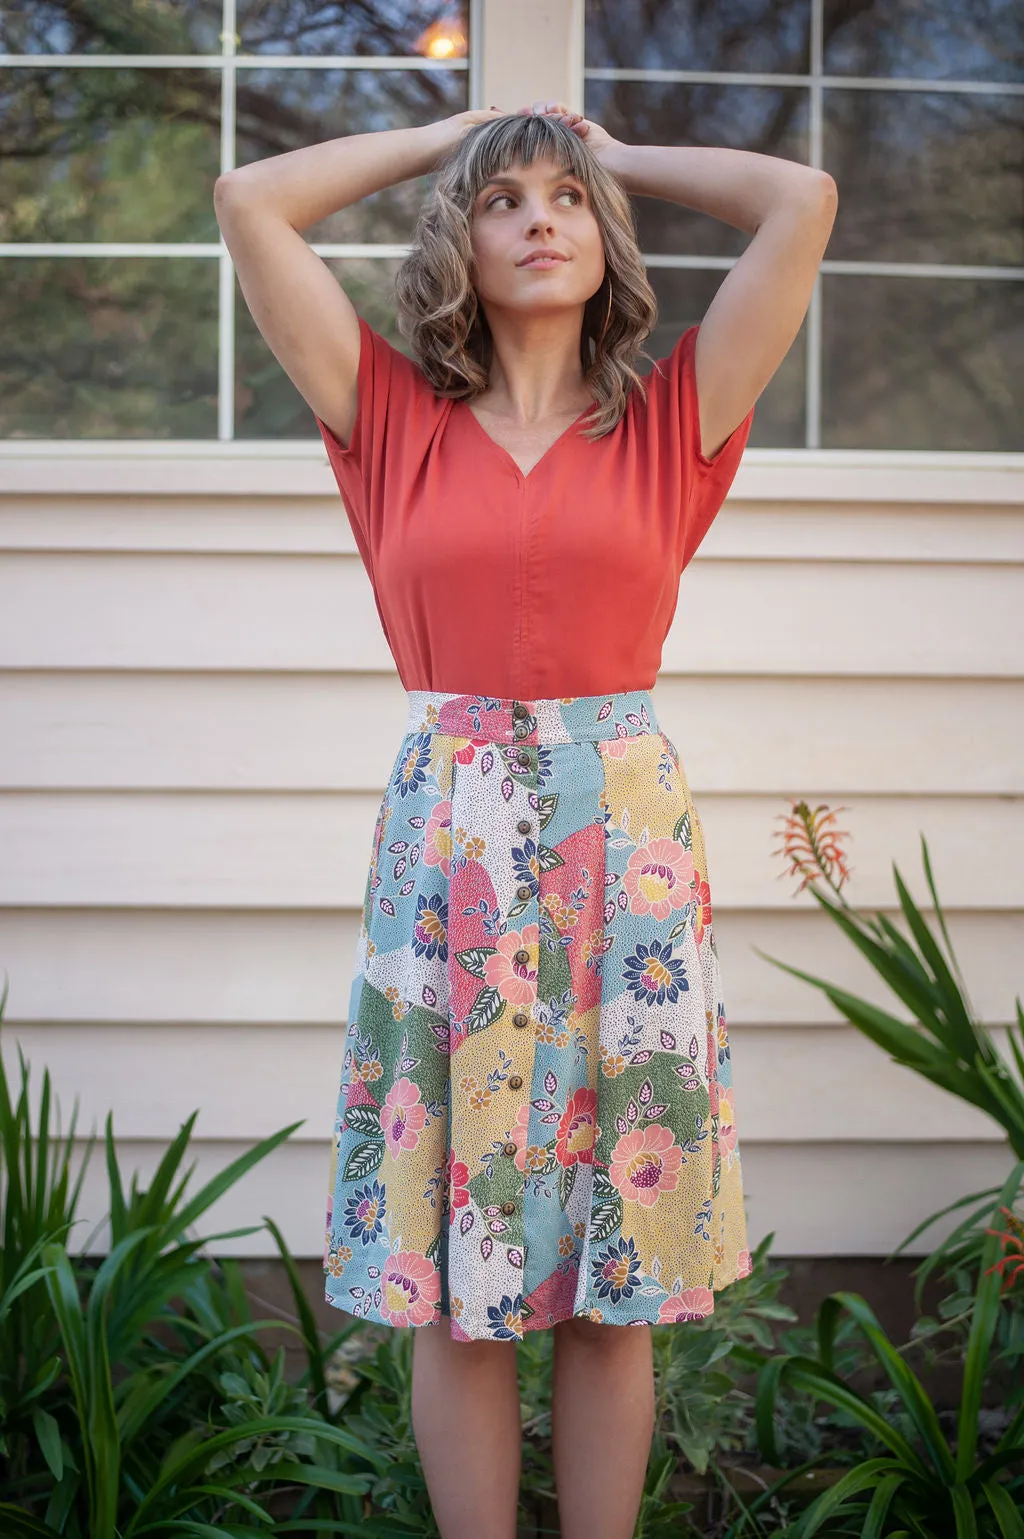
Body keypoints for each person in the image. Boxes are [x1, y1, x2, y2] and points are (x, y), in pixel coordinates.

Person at [214, 100, 836, 1539]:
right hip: (451, 848)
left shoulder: (677, 417)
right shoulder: (388, 420)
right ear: (463, 240)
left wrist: (610, 151)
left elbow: (801, 198)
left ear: (604, 237)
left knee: (617, 1275)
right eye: (506, 201)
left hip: (627, 846)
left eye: (566, 199)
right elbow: (252, 199)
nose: (540, 217)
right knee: (463, 1279)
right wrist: (463, 126)